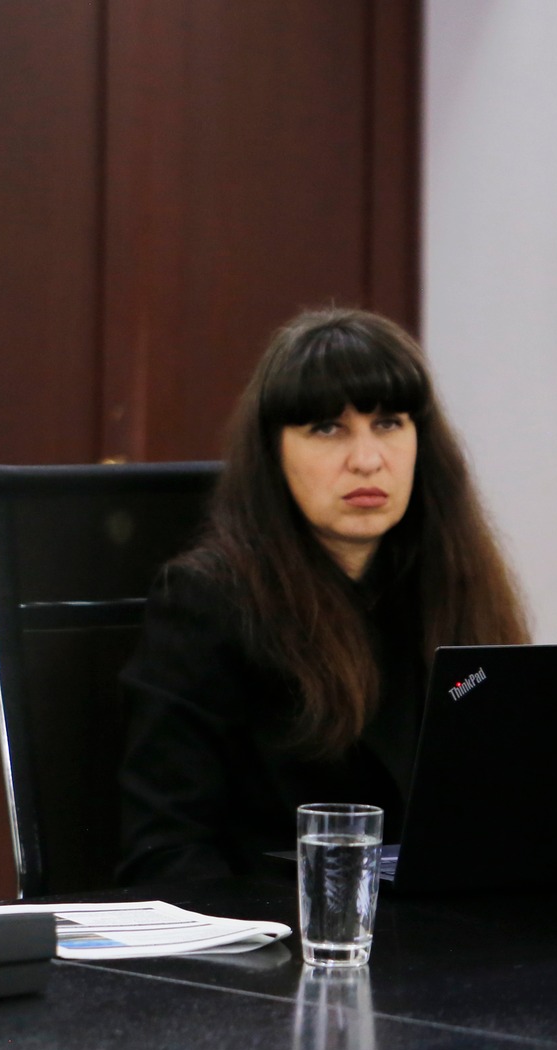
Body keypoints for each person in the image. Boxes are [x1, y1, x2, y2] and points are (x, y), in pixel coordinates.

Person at [117, 308, 528, 884]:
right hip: (280, 929)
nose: (367, 459)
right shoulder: (208, 602)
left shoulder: (456, 588)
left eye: (389, 423)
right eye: (328, 429)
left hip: (444, 928)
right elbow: (165, 853)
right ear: (274, 452)